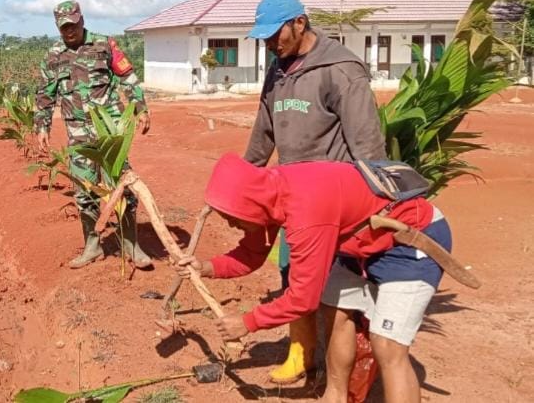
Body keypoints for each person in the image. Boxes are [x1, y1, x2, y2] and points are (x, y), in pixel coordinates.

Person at [176, 153, 453, 403]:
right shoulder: (266, 193)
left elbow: (302, 299)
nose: (231, 223)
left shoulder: (305, 213)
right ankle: (334, 396)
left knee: (388, 347)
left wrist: (248, 322)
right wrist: (204, 267)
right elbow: (251, 254)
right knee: (334, 310)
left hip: (409, 243)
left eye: (232, 217)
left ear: (248, 205)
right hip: (357, 243)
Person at [243, 0, 387, 385]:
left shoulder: (340, 70)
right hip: (295, 198)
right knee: (292, 274)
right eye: (265, 38)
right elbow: (263, 130)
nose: (271, 44)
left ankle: (345, 368)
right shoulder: (277, 70)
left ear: (300, 23)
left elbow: (367, 143)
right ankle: (301, 354)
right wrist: (244, 179)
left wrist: (376, 202)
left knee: (336, 289)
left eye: (276, 35)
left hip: (337, 201)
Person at [36, 1, 151, 268]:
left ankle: (131, 244)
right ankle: (92, 246)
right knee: (83, 191)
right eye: (64, 27)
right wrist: (41, 127)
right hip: (78, 136)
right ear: (58, 27)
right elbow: (44, 94)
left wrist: (141, 108)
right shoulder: (53, 55)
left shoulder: (104, 45)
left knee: (123, 186)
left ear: (82, 19)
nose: (70, 31)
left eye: (74, 25)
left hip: (110, 133)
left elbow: (128, 77)